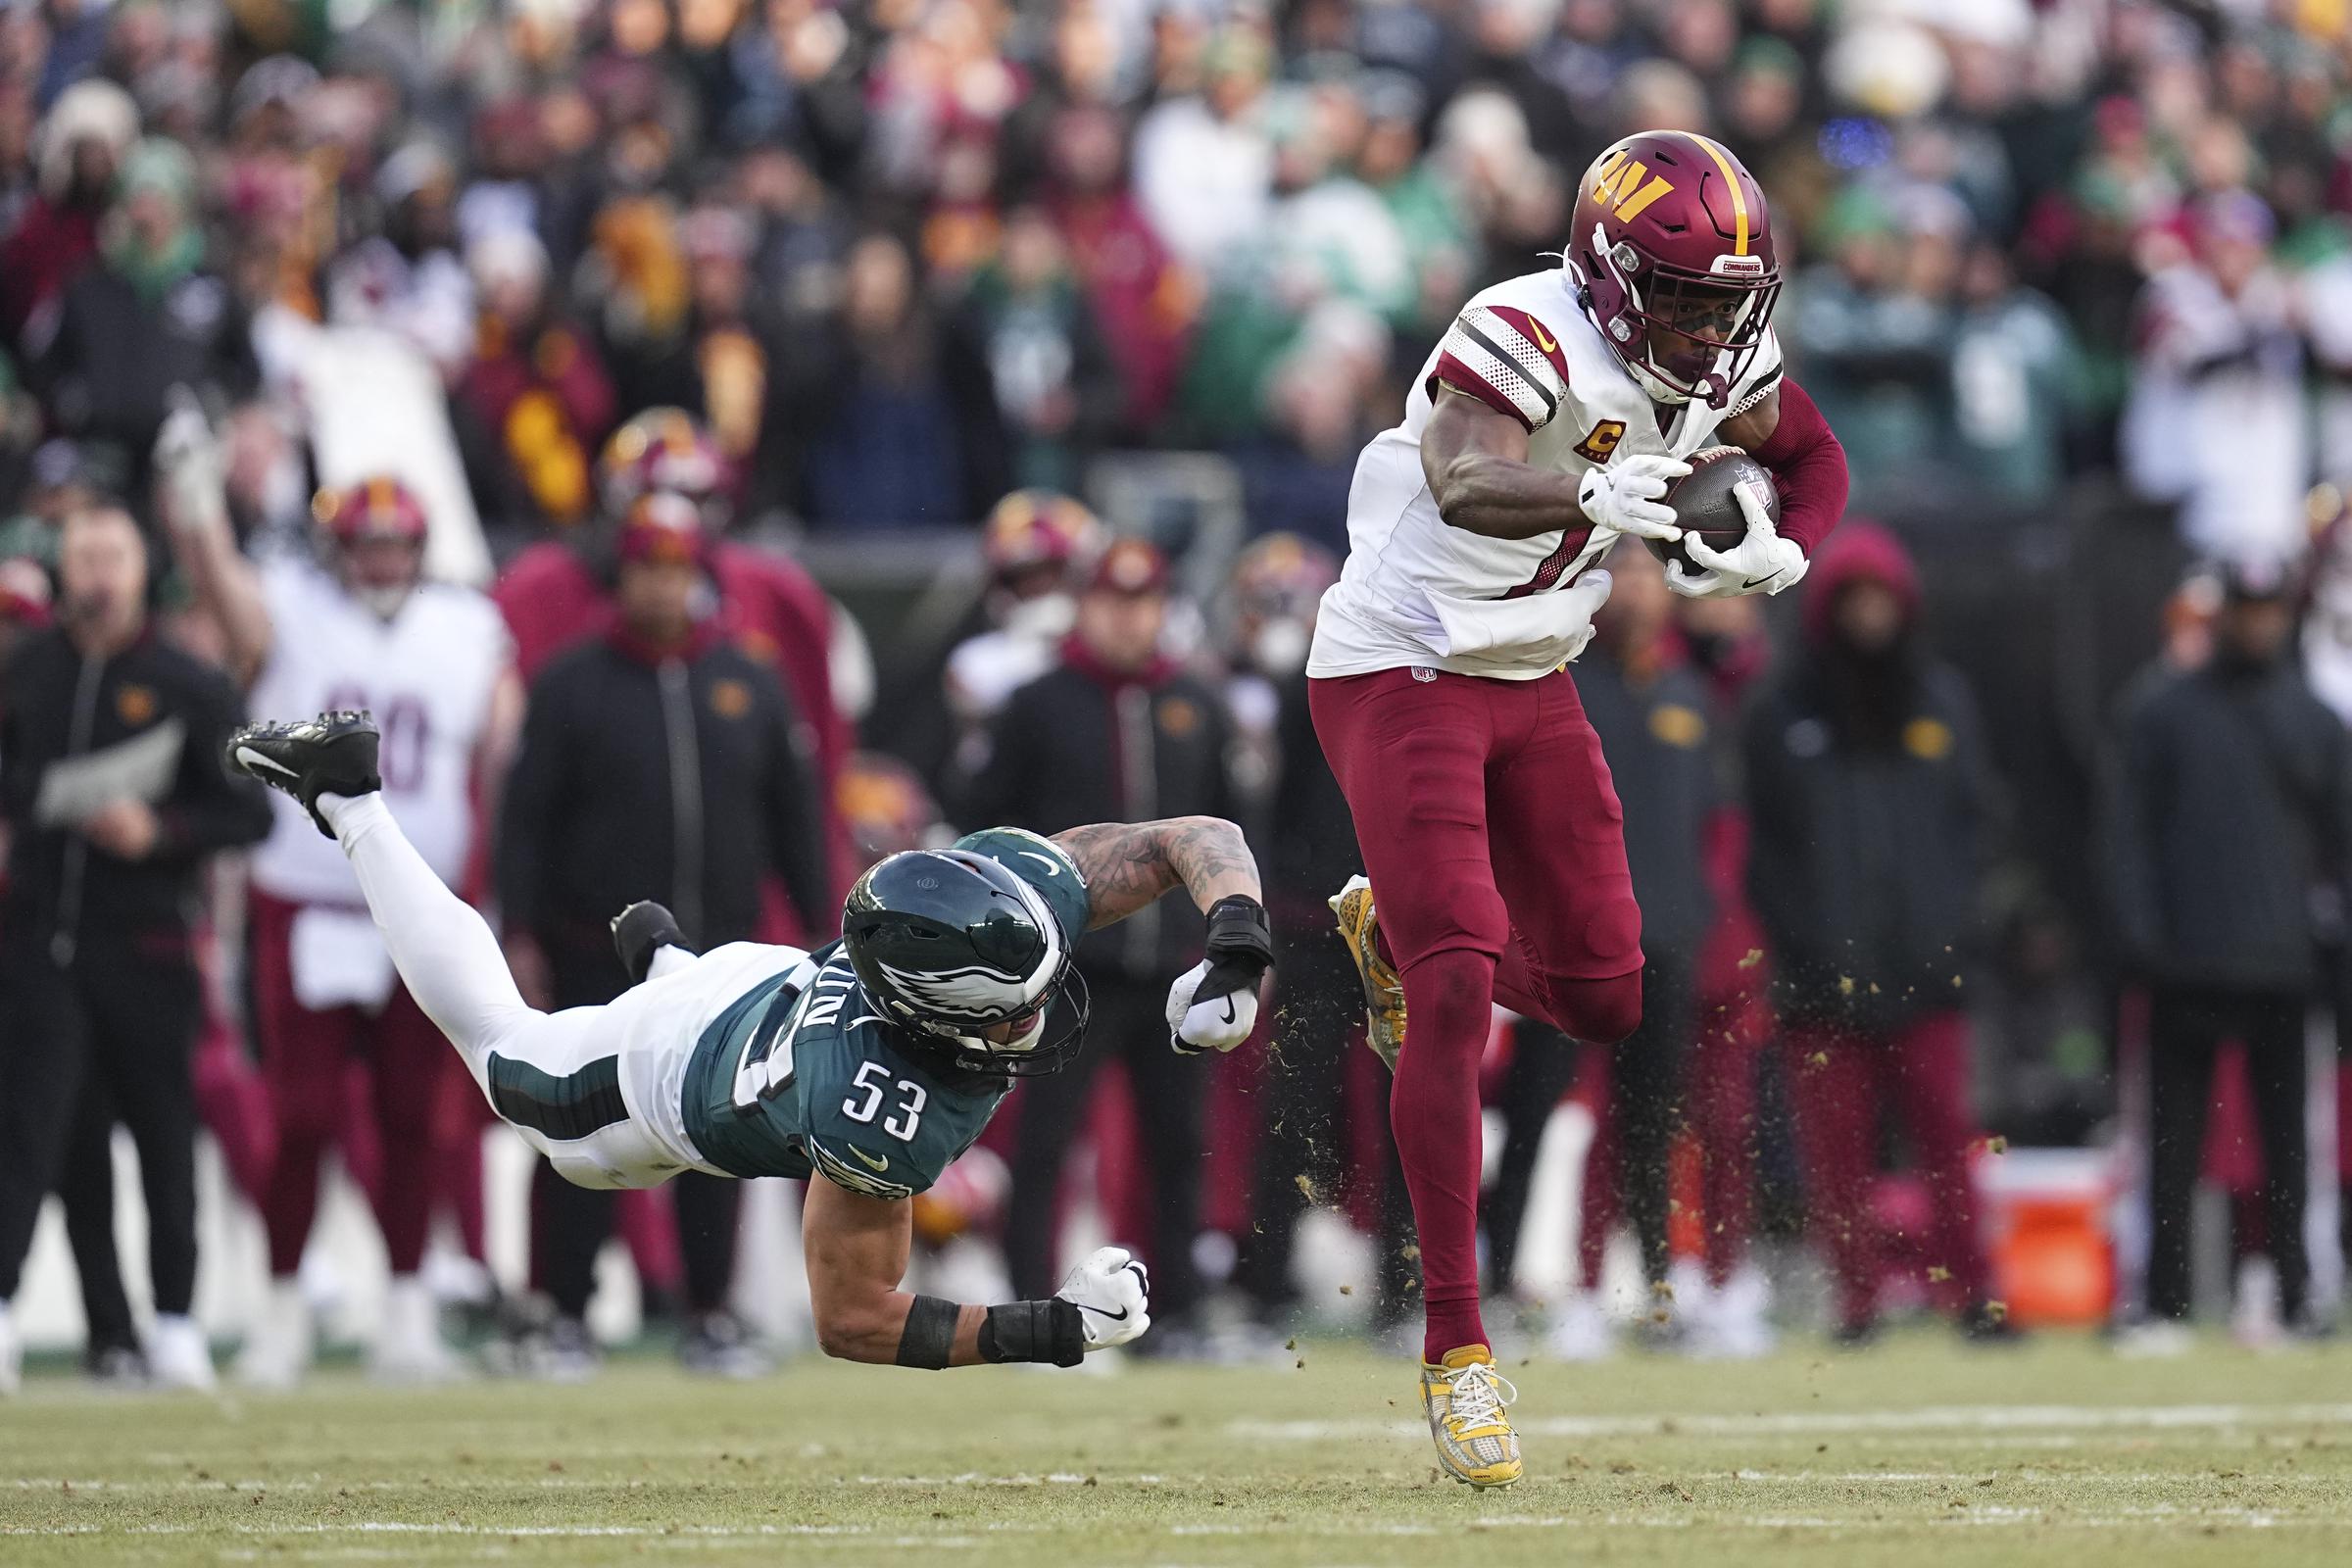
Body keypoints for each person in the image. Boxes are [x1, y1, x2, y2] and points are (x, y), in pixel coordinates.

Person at [1307, 131, 1848, 1486]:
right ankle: (1455, 1348)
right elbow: (1463, 468)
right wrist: (1582, 487)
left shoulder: (1718, 354)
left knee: (1612, 989)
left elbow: (1815, 456)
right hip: (1407, 659)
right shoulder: (1522, 329)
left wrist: (1788, 539)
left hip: (1537, 665)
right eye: (1681, 297)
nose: (1706, 327)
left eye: (1726, 302)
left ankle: (1404, 937)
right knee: (1459, 978)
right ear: (1609, 276)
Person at [222, 709, 1274, 1372]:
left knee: (706, 1000)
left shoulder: (1013, 895)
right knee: (511, 1067)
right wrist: (1051, 1330)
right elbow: (854, 1318)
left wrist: (1235, 943)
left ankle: (669, 964)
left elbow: (1199, 837)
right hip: (666, 1070)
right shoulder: (873, 1106)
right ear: (930, 1014)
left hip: (762, 982)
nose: (1034, 1018)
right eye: (1007, 1010)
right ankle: (353, 801)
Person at [496, 492, 830, 1376]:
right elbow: (524, 819)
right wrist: (521, 931)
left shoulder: (750, 680)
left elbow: (796, 820)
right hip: (591, 945)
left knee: (715, 1133)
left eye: (678, 569)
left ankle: (711, 1313)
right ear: (623, 575)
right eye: (648, 568)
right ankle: (564, 1312)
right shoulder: (571, 682)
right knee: (579, 1127)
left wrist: (830, 930)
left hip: (720, 957)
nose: (663, 587)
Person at [214, 477, 522, 1388]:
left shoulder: (465, 627)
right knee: (302, 1115)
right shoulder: (291, 610)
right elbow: (229, 603)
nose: (382, 560)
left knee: (413, 1121)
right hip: (308, 897)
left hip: (418, 904)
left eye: (397, 543)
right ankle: (279, 1314)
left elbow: (496, 753)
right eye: (366, 544)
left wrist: (491, 885)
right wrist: (196, 511)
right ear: (336, 551)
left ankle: (407, 1313)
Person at [0, 502, 272, 1395]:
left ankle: (176, 1323)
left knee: (163, 1137)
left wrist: (156, 831)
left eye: (112, 554)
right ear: (64, 569)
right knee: (33, 1137)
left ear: (139, 565)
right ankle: (24, 1317)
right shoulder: (27, 672)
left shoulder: (187, 682)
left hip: (149, 946)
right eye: (83, 557)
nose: (98, 575)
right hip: (40, 943)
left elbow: (249, 810)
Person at [961, 537, 1244, 1348]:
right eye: (1115, 601)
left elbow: (1233, 838)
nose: (1130, 618)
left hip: (1173, 970)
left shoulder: (1196, 702)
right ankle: (1024, 1308)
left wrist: (1240, 952)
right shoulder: (1039, 703)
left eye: (1145, 601)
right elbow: (984, 824)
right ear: (1086, 606)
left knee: (1177, 1146)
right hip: (1067, 971)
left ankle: (1180, 1315)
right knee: (1045, 1142)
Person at [1741, 522, 2003, 1344]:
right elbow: (1762, 848)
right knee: (1836, 1157)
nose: (1867, 615)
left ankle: (1974, 1295)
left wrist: (1952, 930)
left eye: (1878, 597)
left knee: (1948, 1147)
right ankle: (1857, 1302)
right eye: (1851, 597)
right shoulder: (1781, 711)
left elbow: (1973, 827)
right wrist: (1802, 943)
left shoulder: (1942, 699)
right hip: (1821, 979)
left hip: (1927, 972)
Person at [1482, 539, 1720, 1357]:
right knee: (1533, 1116)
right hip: (1562, 945)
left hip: (1663, 947)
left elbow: (1713, 825)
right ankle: (1500, 1285)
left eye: (1656, 576)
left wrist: (1695, 919)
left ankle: (1655, 1288)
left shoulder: (1689, 693)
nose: (1643, 593)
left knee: (1653, 1123)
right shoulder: (1559, 684)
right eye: (1630, 575)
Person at [2109, 559, 2346, 1349]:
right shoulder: (2163, 712)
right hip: (2187, 963)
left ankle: (2296, 1295)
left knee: (2291, 1150)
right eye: (2245, 610)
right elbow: (2127, 833)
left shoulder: (2313, 720)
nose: (2257, 625)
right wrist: (2142, 936)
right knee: (2172, 1148)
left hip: (2282, 965)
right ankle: (2163, 1300)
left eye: (2268, 610)